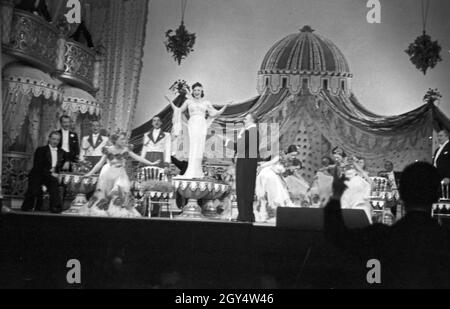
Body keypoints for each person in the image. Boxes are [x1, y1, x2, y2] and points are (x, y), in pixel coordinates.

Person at [324, 162, 450, 288]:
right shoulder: (444, 240)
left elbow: (336, 235)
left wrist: (336, 196)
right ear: (437, 194)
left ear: (401, 193)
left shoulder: (378, 237)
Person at [80, 131, 156, 218]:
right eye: (122, 139)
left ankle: (120, 211)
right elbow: (99, 164)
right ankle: (102, 210)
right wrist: (90, 173)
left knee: (120, 190)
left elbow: (138, 158)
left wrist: (151, 163)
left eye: (125, 139)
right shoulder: (108, 150)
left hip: (120, 173)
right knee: (105, 194)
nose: (124, 141)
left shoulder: (125, 149)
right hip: (108, 174)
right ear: (115, 140)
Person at [168, 82, 228, 178]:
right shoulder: (188, 101)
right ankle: (190, 171)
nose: (196, 92)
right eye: (195, 90)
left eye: (198, 90)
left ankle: (198, 171)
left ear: (202, 91)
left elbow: (214, 113)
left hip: (201, 125)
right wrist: (170, 102)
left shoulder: (206, 102)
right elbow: (178, 110)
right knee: (193, 145)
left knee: (199, 147)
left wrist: (225, 107)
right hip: (192, 124)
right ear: (193, 91)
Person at [21, 131, 69, 213]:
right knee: (34, 188)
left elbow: (68, 157)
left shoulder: (61, 152)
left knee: (54, 182)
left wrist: (67, 161)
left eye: (57, 140)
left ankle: (55, 208)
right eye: (53, 139)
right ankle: (27, 207)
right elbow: (38, 166)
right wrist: (51, 173)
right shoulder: (41, 150)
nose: (55, 141)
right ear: (49, 139)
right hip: (39, 173)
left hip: (51, 176)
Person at [226, 113, 260, 222]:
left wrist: (227, 142)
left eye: (246, 118)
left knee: (243, 189)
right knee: (247, 189)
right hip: (248, 162)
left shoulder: (251, 131)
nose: (244, 120)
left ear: (252, 120)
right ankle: (247, 215)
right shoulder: (252, 131)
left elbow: (240, 147)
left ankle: (244, 216)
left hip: (245, 163)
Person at [254, 146, 296, 223]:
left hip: (274, 176)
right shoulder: (279, 156)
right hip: (268, 174)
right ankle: (268, 213)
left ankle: (273, 213)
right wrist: (260, 167)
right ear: (288, 153)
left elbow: (282, 171)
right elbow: (270, 163)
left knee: (282, 192)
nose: (294, 157)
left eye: (295, 155)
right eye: (292, 155)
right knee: (275, 194)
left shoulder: (288, 161)